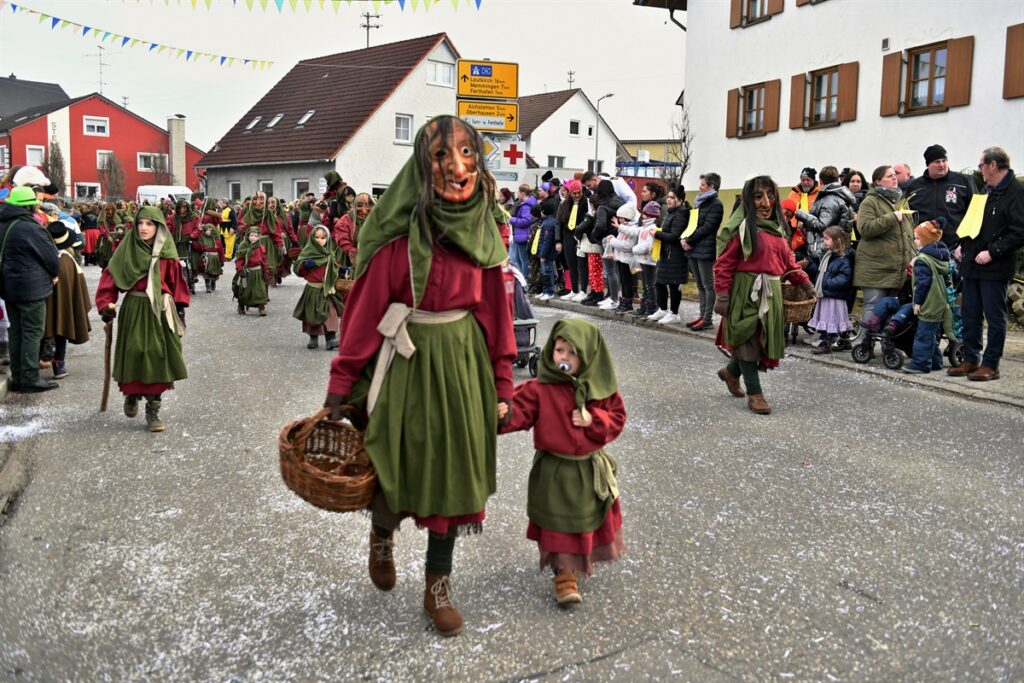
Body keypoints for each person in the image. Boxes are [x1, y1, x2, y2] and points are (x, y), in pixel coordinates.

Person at [322, 116, 515, 638]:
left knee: (453, 474)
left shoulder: (483, 234)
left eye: (468, 154)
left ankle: (438, 586)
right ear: (422, 166)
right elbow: (363, 314)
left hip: (463, 367)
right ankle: (382, 536)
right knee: (393, 461)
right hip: (404, 363)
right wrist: (342, 384)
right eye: (442, 155)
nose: (457, 167)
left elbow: (496, 316)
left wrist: (502, 385)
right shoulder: (397, 236)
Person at [498, 318, 626, 607]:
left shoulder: (601, 388)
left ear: (589, 356)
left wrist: (594, 420)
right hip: (555, 471)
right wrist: (503, 414)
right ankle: (564, 574)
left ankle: (577, 560)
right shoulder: (542, 388)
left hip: (588, 469)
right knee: (559, 524)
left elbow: (617, 418)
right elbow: (520, 410)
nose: (563, 358)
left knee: (583, 520)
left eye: (572, 352)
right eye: (559, 350)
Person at [713, 176, 814, 415]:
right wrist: (723, 296)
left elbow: (789, 264)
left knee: (760, 342)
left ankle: (731, 372)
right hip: (745, 293)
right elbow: (723, 265)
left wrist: (806, 284)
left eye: (770, 196)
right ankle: (755, 393)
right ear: (748, 200)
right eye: (758, 197)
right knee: (747, 341)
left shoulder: (778, 231)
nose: (766, 203)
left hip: (771, 295)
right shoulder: (741, 230)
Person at [96, 207, 189, 432]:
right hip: (135, 308)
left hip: (161, 310)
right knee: (135, 352)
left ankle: (153, 409)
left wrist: (180, 310)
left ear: (159, 227)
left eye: (149, 224)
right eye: (140, 223)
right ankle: (132, 393)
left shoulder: (167, 253)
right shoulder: (126, 251)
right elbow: (110, 278)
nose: (144, 228)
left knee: (158, 355)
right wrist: (106, 304)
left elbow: (177, 284)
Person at [949, 146, 1024, 380]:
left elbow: (1019, 232)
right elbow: (974, 222)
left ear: (993, 165)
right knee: (970, 314)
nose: (979, 170)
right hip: (972, 264)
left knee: (994, 317)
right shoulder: (985, 190)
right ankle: (970, 359)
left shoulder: (1016, 192)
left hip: (995, 266)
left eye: (981, 165)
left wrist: (993, 252)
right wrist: (962, 244)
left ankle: (991, 364)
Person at [0, 186, 60, 392]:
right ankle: (30, 378)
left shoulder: (3, 224)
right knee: (32, 332)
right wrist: (54, 273)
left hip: (9, 287)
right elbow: (51, 258)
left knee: (16, 331)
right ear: (28, 206)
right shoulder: (30, 228)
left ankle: (18, 376)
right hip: (32, 288)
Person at [853, 165, 915, 324]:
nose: (894, 178)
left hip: (898, 267)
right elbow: (865, 229)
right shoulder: (870, 201)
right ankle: (867, 338)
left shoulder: (901, 201)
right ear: (877, 181)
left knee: (893, 307)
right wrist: (892, 217)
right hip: (876, 268)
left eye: (895, 175)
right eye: (889, 176)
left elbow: (909, 234)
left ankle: (885, 339)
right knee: (873, 306)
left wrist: (914, 256)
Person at [901, 219, 952, 374]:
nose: (914, 241)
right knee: (932, 333)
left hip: (928, 302)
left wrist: (917, 302)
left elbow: (922, 284)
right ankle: (935, 362)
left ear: (926, 240)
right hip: (939, 301)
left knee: (923, 334)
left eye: (917, 238)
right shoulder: (940, 256)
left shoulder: (923, 260)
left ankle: (920, 363)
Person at [44, 220, 91, 379]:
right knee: (61, 328)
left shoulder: (41, 256)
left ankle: (40, 359)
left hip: (42, 302)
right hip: (63, 304)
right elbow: (79, 285)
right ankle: (58, 365)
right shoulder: (68, 259)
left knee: (43, 329)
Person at [906, 144, 975, 248]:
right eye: (937, 161)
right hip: (923, 248)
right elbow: (907, 217)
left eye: (944, 160)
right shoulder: (914, 186)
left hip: (956, 246)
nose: (942, 165)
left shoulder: (964, 181)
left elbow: (976, 213)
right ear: (928, 164)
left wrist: (966, 243)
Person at [683, 172, 724, 330]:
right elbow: (693, 225)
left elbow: (708, 227)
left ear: (711, 186)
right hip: (694, 247)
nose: (699, 187)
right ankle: (701, 315)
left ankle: (707, 319)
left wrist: (689, 240)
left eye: (703, 185)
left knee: (708, 285)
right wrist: (685, 238)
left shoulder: (716, 204)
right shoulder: (700, 203)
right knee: (700, 284)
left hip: (704, 248)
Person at [292, 225, 343, 350]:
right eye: (317, 237)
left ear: (327, 239)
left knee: (331, 313)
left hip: (327, 290)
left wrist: (341, 269)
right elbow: (298, 269)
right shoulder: (308, 252)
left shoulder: (329, 253)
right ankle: (313, 338)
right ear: (312, 238)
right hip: (313, 289)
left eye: (323, 238)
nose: (320, 240)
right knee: (312, 314)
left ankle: (330, 339)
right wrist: (305, 265)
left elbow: (333, 266)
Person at [807, 227, 853, 354]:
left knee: (831, 318)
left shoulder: (842, 259)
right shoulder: (828, 256)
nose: (824, 241)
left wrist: (827, 283)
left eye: (827, 239)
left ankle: (827, 342)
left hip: (834, 296)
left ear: (837, 241)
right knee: (834, 318)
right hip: (827, 294)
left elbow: (845, 277)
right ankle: (845, 341)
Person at [649, 186, 690, 324]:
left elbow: (674, 236)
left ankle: (674, 313)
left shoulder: (680, 215)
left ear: (680, 200)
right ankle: (662, 309)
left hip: (676, 256)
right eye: (668, 197)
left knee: (674, 285)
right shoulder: (670, 213)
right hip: (665, 253)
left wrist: (657, 234)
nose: (669, 200)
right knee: (659, 282)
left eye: (672, 197)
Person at [556, 179, 589, 302]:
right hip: (568, 235)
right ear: (570, 193)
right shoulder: (564, 204)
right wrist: (558, 240)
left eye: (579, 192)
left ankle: (583, 290)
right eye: (574, 193)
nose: (577, 195)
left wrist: (581, 232)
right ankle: (574, 290)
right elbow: (558, 222)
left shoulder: (586, 202)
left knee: (582, 264)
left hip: (581, 235)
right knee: (571, 264)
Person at [232, 227, 270, 316]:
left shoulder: (260, 247)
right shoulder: (243, 246)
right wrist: (240, 270)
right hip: (247, 272)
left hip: (258, 273)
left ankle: (261, 307)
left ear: (259, 237)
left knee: (260, 290)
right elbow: (239, 260)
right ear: (248, 236)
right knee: (244, 291)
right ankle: (241, 306)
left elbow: (264, 260)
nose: (253, 238)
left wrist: (266, 270)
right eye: (251, 235)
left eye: (255, 236)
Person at [632, 202, 660, 317]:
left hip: (649, 261)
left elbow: (647, 246)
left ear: (649, 215)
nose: (642, 216)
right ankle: (645, 306)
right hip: (643, 260)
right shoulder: (645, 227)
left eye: (644, 214)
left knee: (650, 285)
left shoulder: (651, 228)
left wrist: (634, 249)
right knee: (645, 285)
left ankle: (652, 306)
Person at [333, 192, 375, 265]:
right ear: (354, 206)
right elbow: (342, 240)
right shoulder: (345, 220)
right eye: (359, 205)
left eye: (368, 205)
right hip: (347, 259)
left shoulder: (375, 220)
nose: (364, 211)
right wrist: (354, 254)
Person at [193, 198, 225, 293]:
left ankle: (213, 282)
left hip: (213, 236)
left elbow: (220, 220)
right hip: (204, 236)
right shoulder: (202, 212)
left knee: (214, 260)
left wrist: (216, 212)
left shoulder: (211, 213)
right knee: (205, 263)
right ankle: (208, 284)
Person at [508, 184, 536, 278]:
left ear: (523, 193)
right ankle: (523, 277)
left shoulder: (525, 206)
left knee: (523, 259)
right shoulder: (527, 204)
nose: (517, 195)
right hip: (522, 235)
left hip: (523, 236)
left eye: (518, 193)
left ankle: (525, 278)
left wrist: (512, 220)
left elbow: (527, 221)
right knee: (519, 258)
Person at [535, 197, 560, 301]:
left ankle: (549, 292)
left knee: (548, 272)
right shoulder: (548, 222)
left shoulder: (548, 224)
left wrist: (543, 255)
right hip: (546, 253)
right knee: (544, 272)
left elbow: (547, 241)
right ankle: (545, 290)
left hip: (547, 254)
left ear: (544, 211)